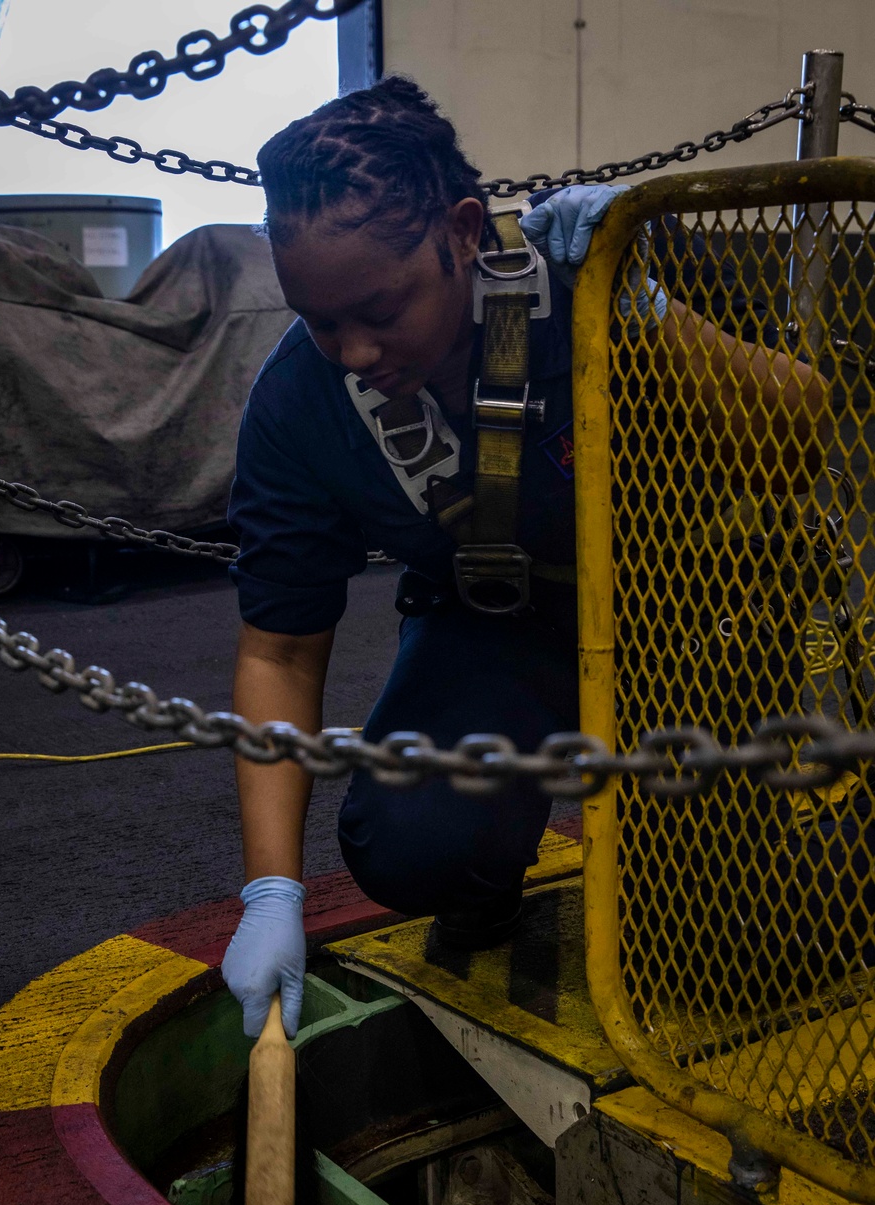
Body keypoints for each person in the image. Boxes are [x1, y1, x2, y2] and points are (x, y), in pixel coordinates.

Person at [221, 77, 827, 1039]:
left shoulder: (597, 277)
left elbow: (802, 436)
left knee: (726, 955)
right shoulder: (300, 402)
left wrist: (643, 306)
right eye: (319, 319)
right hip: (496, 629)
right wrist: (270, 892)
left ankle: (737, 868)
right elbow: (279, 652)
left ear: (463, 232)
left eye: (379, 309)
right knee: (411, 850)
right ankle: (495, 862)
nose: (352, 351)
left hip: (678, 623)